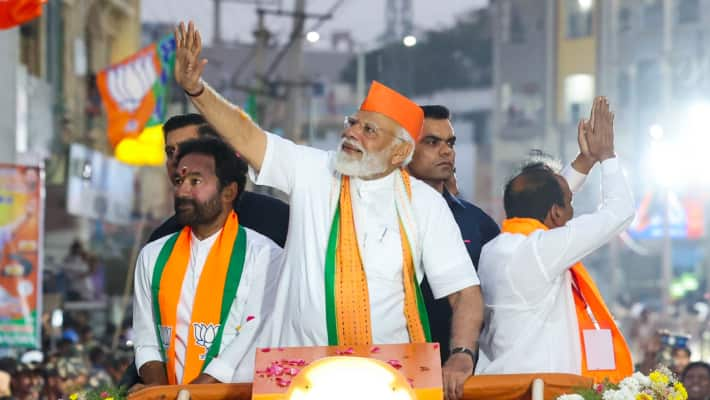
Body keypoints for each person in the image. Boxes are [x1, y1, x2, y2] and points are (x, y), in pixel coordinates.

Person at [174, 21, 483, 400]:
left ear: (399, 152)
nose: (352, 133)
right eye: (352, 122)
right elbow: (244, 134)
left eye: (369, 130)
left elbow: (464, 293)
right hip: (297, 376)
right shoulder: (313, 171)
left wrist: (462, 357)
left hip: (388, 378)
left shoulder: (424, 205)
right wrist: (197, 90)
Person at [475, 97, 635, 383]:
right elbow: (619, 212)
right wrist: (607, 156)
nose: (572, 212)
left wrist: (585, 161)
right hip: (539, 391)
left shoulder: (497, 250)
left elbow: (542, 197)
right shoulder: (539, 252)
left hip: (504, 386)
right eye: (570, 204)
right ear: (556, 213)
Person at [132, 138, 283, 388]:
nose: (181, 192)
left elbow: (253, 336)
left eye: (195, 181)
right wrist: (161, 394)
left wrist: (192, 393)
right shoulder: (152, 256)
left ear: (229, 192)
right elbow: (147, 340)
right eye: (179, 182)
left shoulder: (266, 256)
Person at [407, 104, 499, 362]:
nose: (446, 151)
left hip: (461, 374)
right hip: (394, 367)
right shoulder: (378, 216)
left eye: (450, 142)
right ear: (403, 148)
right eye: (432, 142)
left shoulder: (477, 222)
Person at [147, 113, 290, 247]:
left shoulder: (278, 222)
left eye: (187, 148)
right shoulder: (161, 242)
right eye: (170, 152)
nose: (176, 160)